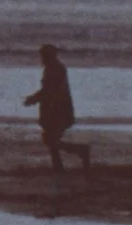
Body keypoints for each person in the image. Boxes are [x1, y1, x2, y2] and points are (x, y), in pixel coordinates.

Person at [24, 44, 92, 172]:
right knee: (50, 139)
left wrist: (33, 99)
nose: (42, 58)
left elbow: (49, 90)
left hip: (57, 109)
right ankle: (59, 165)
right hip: (55, 108)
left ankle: (80, 151)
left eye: (44, 55)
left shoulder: (55, 69)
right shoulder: (53, 68)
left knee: (51, 139)